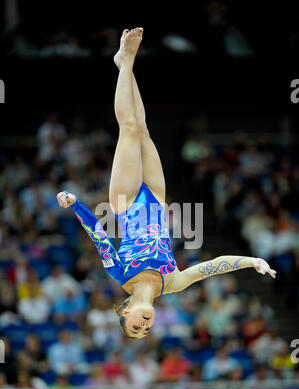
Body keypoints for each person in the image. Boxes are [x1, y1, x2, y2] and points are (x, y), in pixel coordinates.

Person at [57, 28, 276, 340]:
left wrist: (75, 203)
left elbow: (99, 235)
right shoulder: (172, 282)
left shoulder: (120, 275)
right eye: (146, 329)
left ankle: (126, 59)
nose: (144, 324)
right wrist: (252, 261)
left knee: (129, 129)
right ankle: (123, 63)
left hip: (127, 201)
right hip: (156, 200)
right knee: (143, 129)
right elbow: (214, 266)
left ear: (124, 311)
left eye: (136, 326)